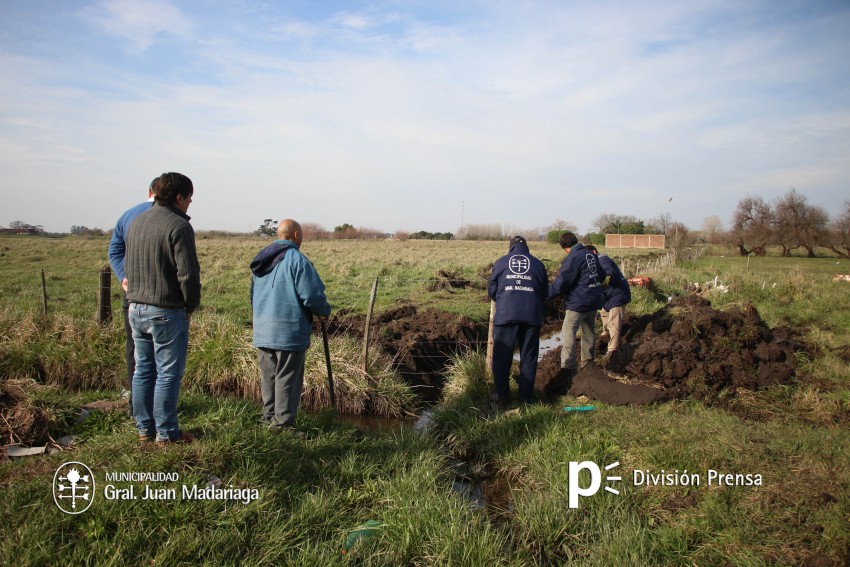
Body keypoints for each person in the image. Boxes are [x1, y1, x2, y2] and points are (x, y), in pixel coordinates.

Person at [125, 172, 201, 444]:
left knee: (143, 370)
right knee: (168, 374)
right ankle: (167, 434)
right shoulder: (179, 226)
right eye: (189, 198)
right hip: (166, 310)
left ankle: (145, 429)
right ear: (179, 197)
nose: (190, 203)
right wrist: (190, 305)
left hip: (135, 308)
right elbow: (188, 274)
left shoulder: (136, 222)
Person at [251, 219, 331, 434]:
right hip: (288, 331)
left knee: (269, 376)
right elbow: (312, 296)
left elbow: (252, 295)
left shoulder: (261, 258)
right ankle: (283, 425)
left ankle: (269, 418)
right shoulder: (298, 260)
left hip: (263, 329)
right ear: (296, 235)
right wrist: (324, 311)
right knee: (287, 378)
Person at [107, 179, 156, 410]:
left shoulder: (127, 215)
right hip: (162, 296)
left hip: (133, 293)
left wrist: (123, 276)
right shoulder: (170, 217)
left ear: (149, 191)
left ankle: (137, 404)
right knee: (163, 353)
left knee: (135, 348)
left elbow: (114, 250)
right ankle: (159, 406)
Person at [487, 236, 549, 405]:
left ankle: (502, 395)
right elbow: (545, 292)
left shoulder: (500, 262)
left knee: (502, 357)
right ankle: (525, 398)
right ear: (527, 247)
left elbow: (492, 290)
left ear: (510, 247)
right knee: (528, 356)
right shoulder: (538, 265)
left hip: (506, 316)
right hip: (531, 317)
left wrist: (504, 298)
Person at [548, 231, 604, 375]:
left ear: (564, 247)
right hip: (594, 300)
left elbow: (562, 282)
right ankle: (588, 364)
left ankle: (568, 366)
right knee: (589, 333)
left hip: (578, 302)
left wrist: (547, 294)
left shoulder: (573, 257)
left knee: (569, 331)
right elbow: (601, 274)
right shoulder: (590, 254)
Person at [585, 245, 631, 357]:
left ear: (594, 252)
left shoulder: (603, 260)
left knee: (613, 323)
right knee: (604, 313)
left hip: (617, 294)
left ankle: (612, 350)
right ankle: (605, 335)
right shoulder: (592, 263)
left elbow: (609, 273)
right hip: (607, 296)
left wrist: (601, 282)